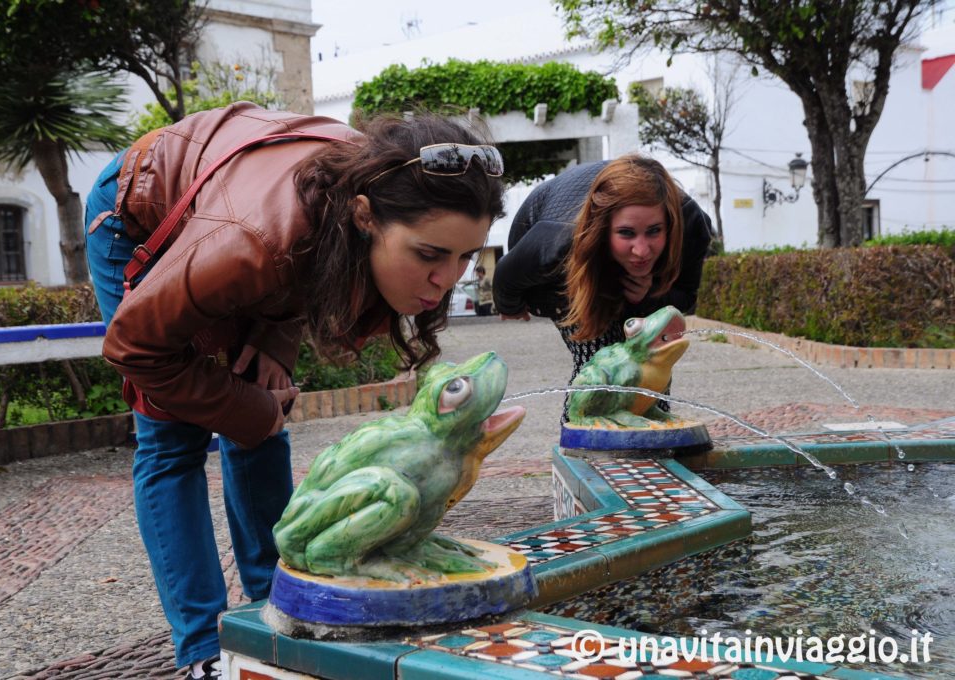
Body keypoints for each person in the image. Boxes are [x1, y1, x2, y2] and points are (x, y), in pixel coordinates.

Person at [84, 102, 505, 679]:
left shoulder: (375, 192)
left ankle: (279, 603)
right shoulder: (250, 245)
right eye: (429, 255)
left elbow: (304, 253)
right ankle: (207, 649)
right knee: (172, 440)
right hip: (141, 211)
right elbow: (134, 347)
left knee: (263, 401)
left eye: (464, 257)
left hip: (234, 208)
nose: (447, 279)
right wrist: (250, 410)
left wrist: (272, 349)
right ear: (364, 217)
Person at [492, 154, 713, 412]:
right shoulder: (557, 244)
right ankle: (583, 439)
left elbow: (686, 298)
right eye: (626, 233)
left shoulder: (691, 226)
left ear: (671, 224)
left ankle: (655, 433)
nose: (641, 251)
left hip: (614, 264)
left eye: (654, 231)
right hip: (564, 267)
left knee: (652, 356)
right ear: (603, 228)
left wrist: (650, 295)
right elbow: (505, 277)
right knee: (600, 362)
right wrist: (512, 306)